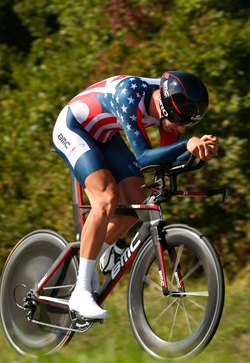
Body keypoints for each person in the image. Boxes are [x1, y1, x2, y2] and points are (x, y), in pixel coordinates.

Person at [52, 70, 219, 320]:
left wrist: (200, 149)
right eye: (181, 121)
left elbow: (164, 159)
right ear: (165, 108)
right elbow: (143, 159)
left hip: (104, 135)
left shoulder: (167, 104)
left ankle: (99, 250)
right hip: (73, 128)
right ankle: (81, 291)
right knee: (106, 198)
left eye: (188, 125)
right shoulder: (128, 95)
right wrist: (187, 145)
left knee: (137, 204)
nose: (182, 128)